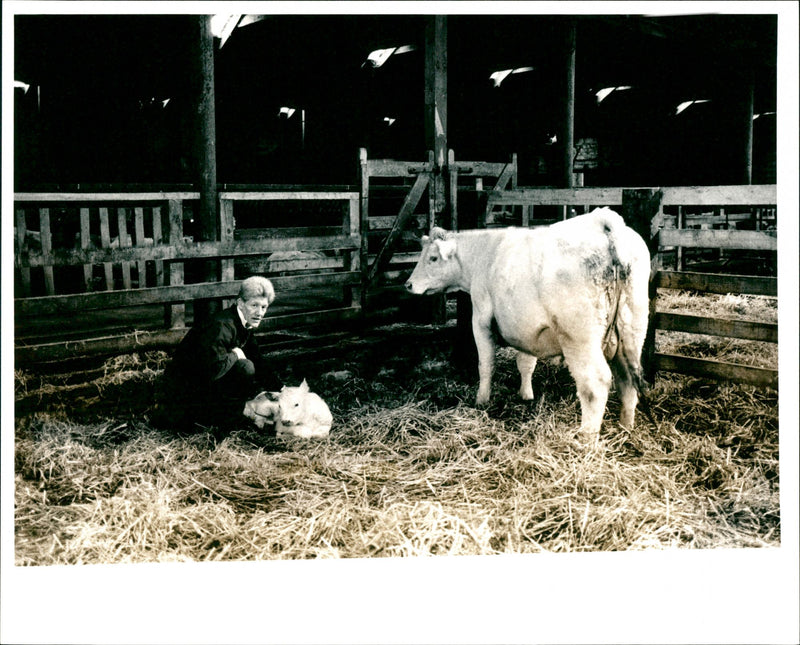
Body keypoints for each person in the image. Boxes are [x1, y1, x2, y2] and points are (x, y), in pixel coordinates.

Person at [154, 276, 282, 433]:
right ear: (241, 303)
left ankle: (229, 415)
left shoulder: (243, 323)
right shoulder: (221, 326)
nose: (259, 313)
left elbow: (258, 359)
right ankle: (221, 418)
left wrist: (282, 389)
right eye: (254, 305)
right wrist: (235, 353)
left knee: (249, 365)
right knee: (245, 367)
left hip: (204, 384)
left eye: (264, 307)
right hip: (183, 394)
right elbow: (213, 370)